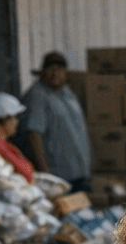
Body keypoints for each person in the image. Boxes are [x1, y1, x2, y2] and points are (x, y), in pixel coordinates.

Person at [21, 52, 91, 193]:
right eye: (50, 69)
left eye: (59, 69)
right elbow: (34, 134)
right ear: (43, 72)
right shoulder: (38, 95)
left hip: (79, 173)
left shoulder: (66, 92)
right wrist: (45, 172)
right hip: (59, 178)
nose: (55, 73)